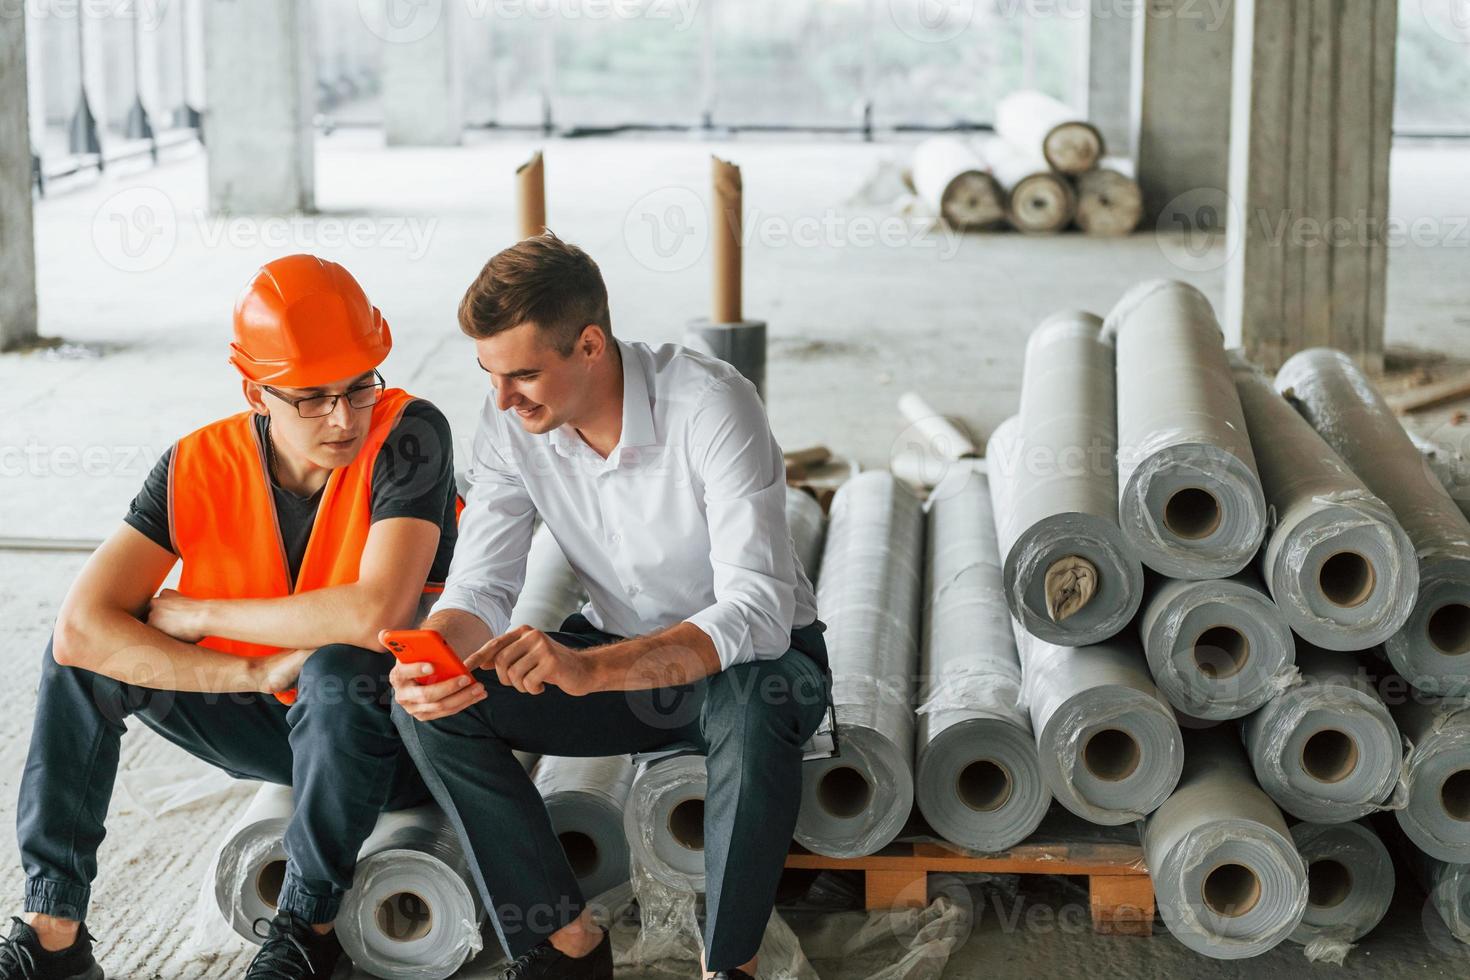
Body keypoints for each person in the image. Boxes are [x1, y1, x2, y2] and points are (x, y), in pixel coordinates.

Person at [2, 255, 459, 980]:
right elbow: (82, 626)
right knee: (82, 662)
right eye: (312, 397)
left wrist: (204, 612)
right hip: (269, 714)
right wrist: (248, 667)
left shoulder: (410, 435)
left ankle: (306, 928)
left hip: (397, 736)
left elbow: (379, 613)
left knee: (341, 668)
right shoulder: (196, 465)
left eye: (358, 387)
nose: (344, 417)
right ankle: (53, 927)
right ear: (256, 391)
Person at [389, 232, 830, 980]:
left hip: (756, 665)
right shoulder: (508, 419)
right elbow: (481, 587)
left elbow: (757, 607)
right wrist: (436, 655)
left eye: (524, 373)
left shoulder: (713, 403)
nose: (502, 398)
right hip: (619, 660)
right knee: (432, 707)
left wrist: (593, 672)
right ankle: (568, 945)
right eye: (489, 374)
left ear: (590, 344)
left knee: (755, 704)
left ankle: (732, 966)